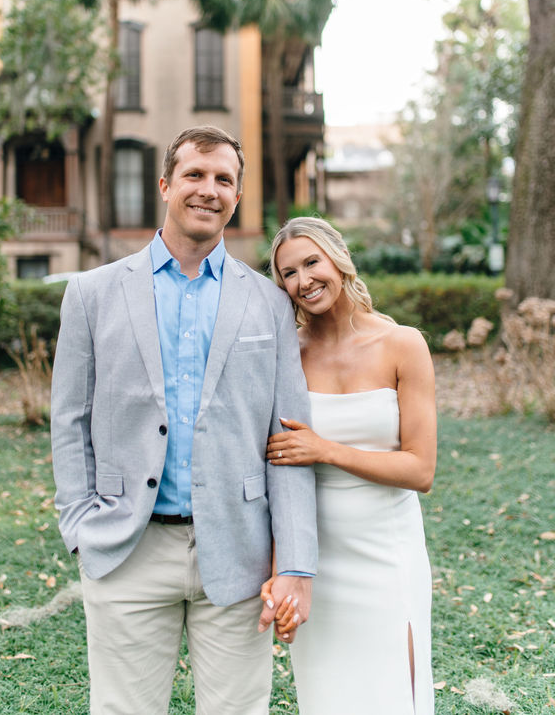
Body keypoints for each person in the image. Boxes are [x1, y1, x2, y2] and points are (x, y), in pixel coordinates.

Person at [50, 126, 317, 715]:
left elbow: (290, 439)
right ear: (166, 184)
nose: (209, 189)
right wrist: (78, 523)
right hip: (127, 548)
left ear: (237, 197)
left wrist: (295, 562)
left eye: (224, 179)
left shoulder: (270, 303)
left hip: (239, 552)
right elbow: (70, 419)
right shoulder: (91, 294)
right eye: (195, 174)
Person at [264, 216, 436, 715]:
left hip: (387, 551)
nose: (304, 280)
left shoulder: (403, 344)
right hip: (315, 554)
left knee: (393, 695)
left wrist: (327, 450)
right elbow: (277, 467)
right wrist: (283, 568)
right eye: (288, 274)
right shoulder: (286, 356)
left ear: (339, 260)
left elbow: (420, 469)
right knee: (329, 699)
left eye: (311, 262)